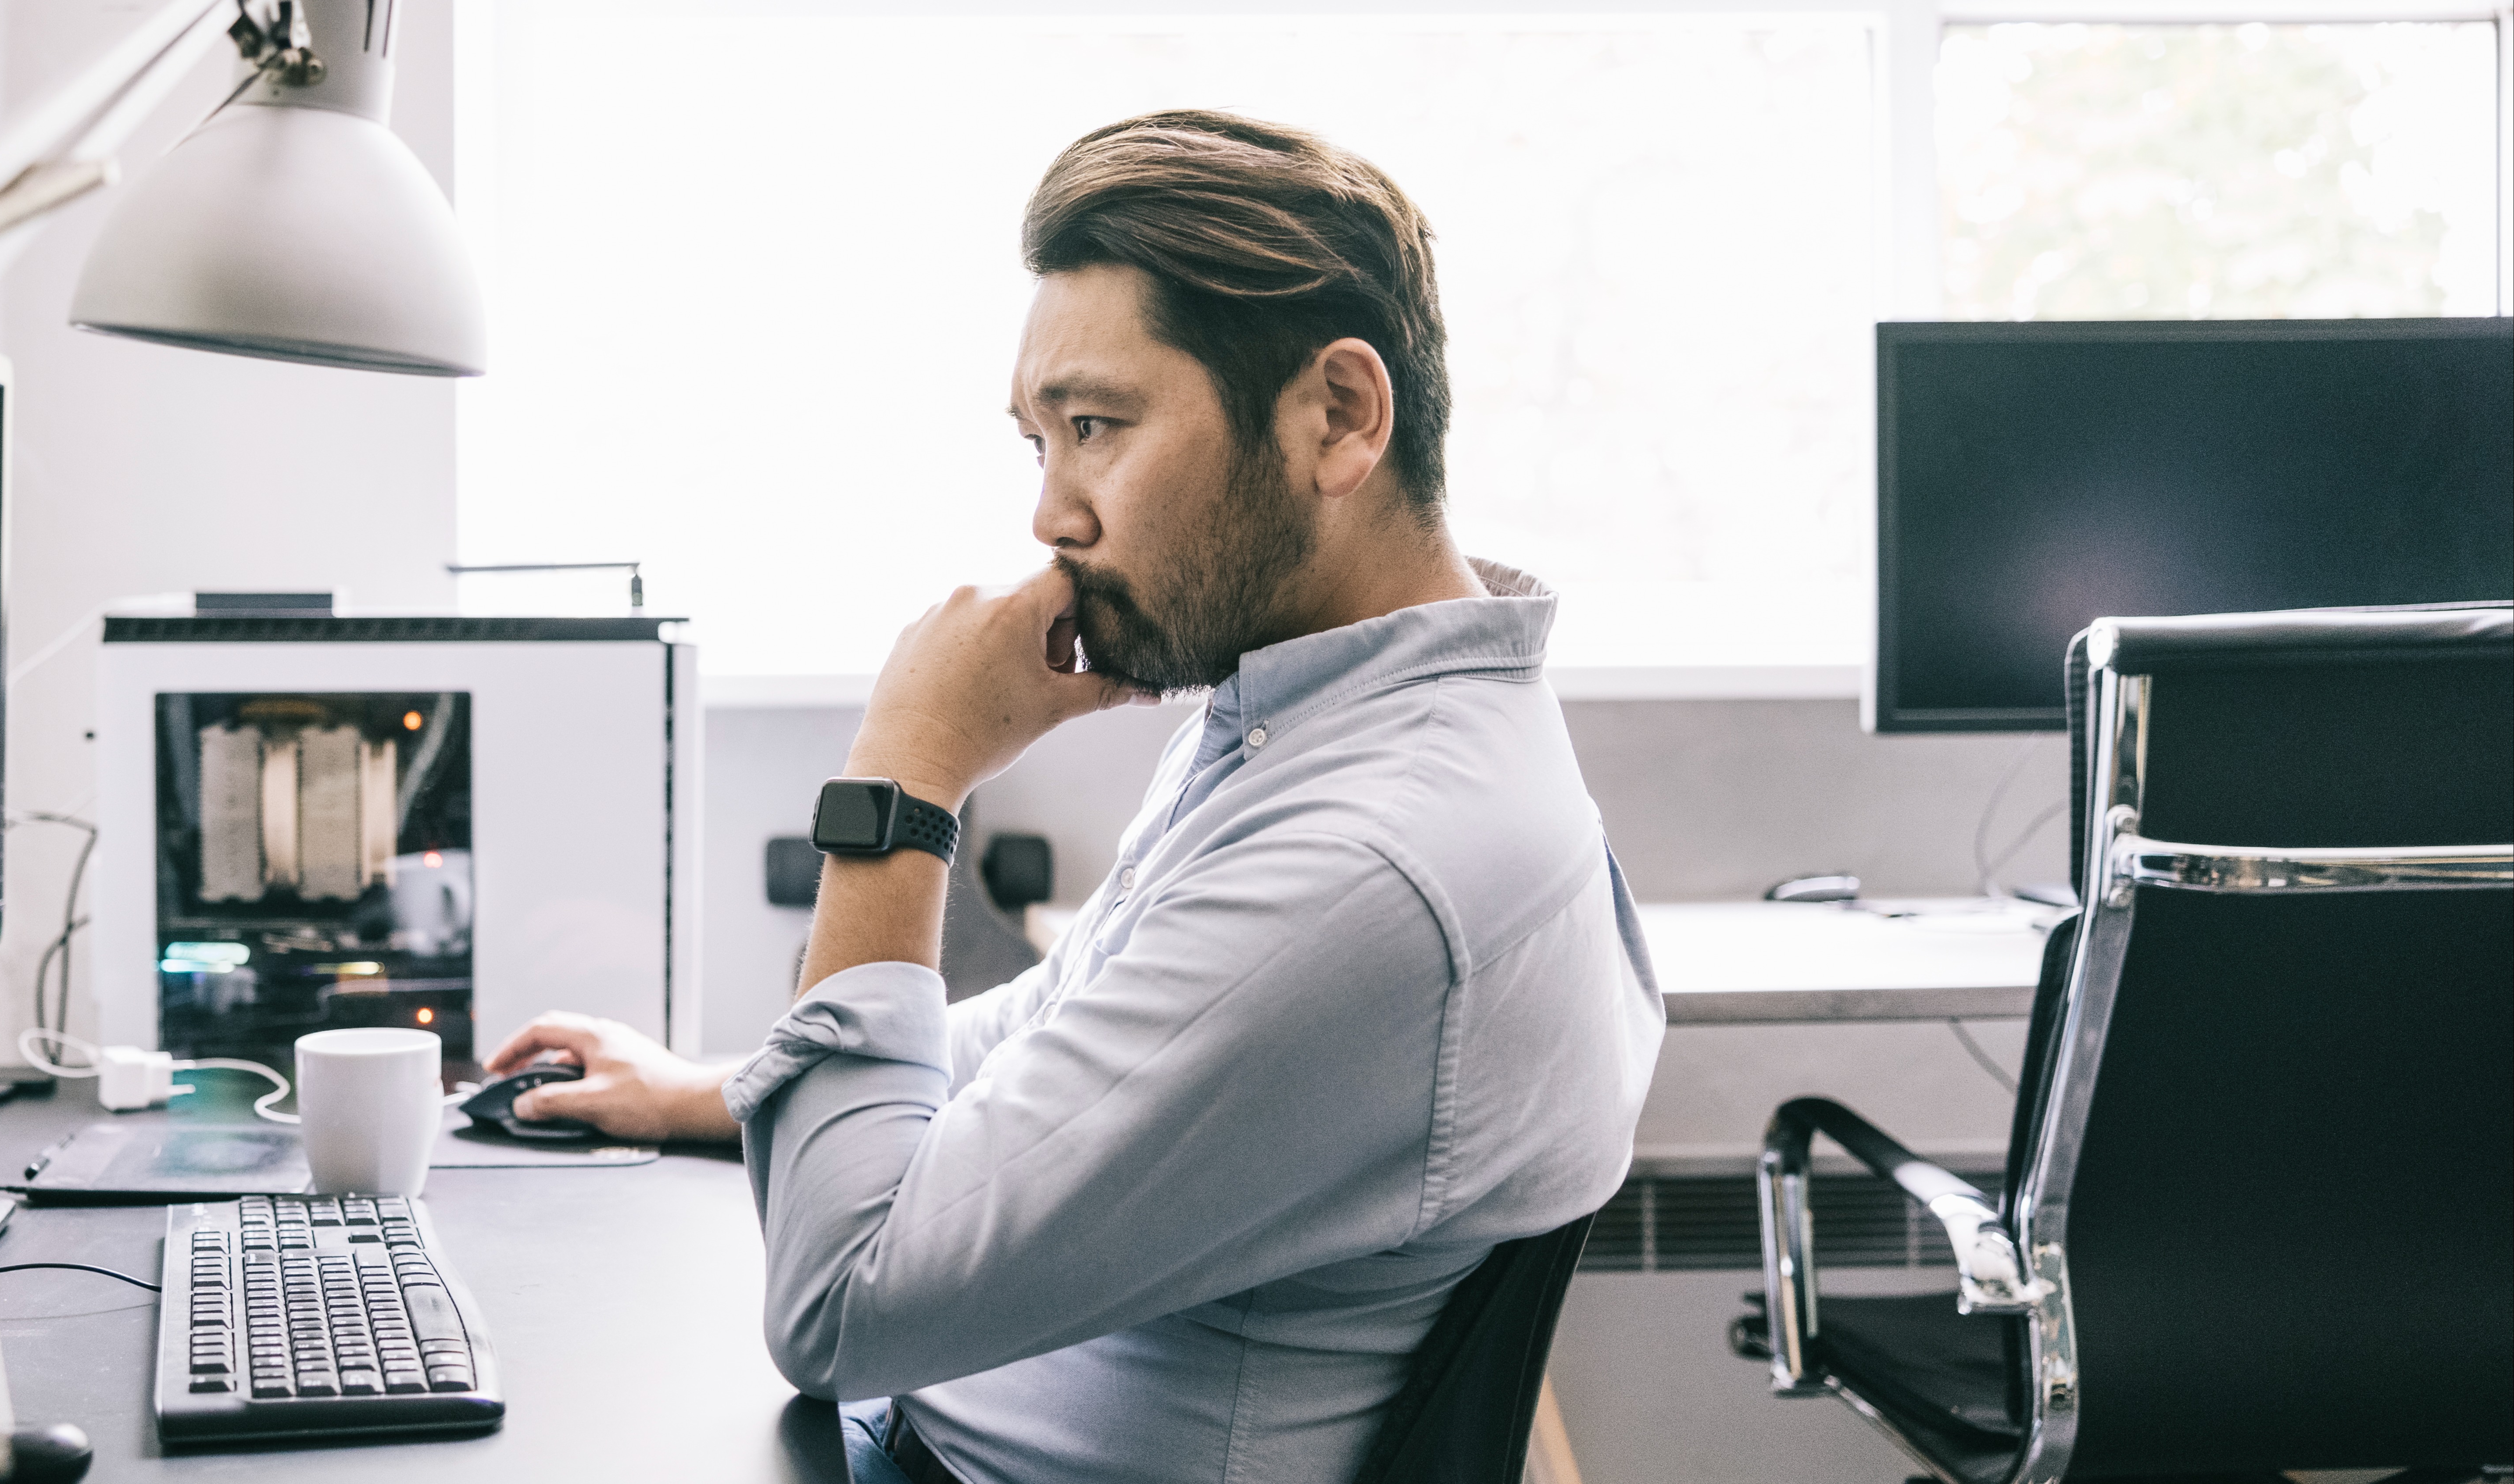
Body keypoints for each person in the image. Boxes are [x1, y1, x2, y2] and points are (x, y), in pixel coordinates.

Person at [484, 110, 1663, 1484]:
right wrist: (724, 1094)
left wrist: (905, 782)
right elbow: (1072, 1028)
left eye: (1095, 426)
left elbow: (840, 1302)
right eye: (1038, 440)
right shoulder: (1340, 717)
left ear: (1339, 416)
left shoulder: (1371, 861)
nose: (1051, 512)